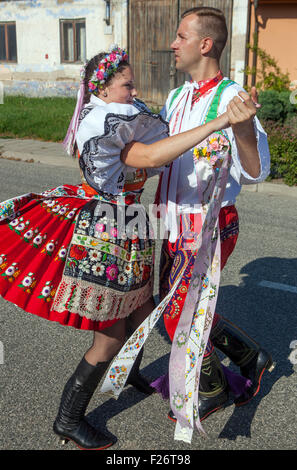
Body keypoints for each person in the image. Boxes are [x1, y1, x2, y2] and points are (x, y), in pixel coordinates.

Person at [0, 46, 233, 450]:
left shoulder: (124, 117)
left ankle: (128, 373)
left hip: (129, 226)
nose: (134, 89)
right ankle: (68, 419)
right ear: (103, 90)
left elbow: (155, 160)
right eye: (127, 84)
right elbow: (149, 155)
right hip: (106, 234)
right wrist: (219, 122)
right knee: (110, 333)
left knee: (142, 308)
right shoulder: (105, 124)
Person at [154, 7, 274, 428]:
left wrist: (242, 129)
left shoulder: (232, 99)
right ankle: (249, 356)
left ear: (205, 44)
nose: (173, 43)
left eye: (181, 36)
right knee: (177, 305)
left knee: (177, 312)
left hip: (209, 226)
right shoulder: (177, 96)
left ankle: (212, 389)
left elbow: (258, 173)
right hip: (171, 222)